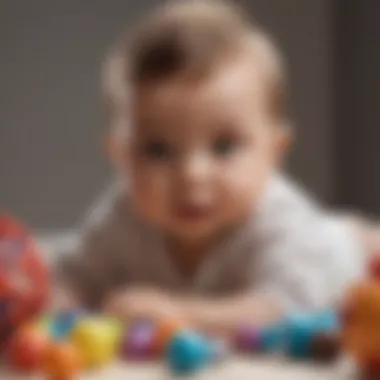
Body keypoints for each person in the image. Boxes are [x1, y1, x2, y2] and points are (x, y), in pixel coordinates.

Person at [51, 0, 379, 335]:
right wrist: (59, 307)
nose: (192, 175)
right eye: (158, 150)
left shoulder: (279, 223)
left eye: (224, 147)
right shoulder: (124, 216)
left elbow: (287, 308)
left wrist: (179, 314)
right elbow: (73, 276)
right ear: (121, 156)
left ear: (275, 151)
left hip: (342, 254)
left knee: (360, 243)